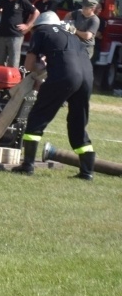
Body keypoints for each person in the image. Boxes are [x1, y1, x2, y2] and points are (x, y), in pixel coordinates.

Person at [12, 11, 96, 180]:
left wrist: (39, 67)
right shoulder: (71, 36)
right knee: (77, 122)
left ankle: (27, 165)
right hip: (87, 77)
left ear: (39, 26)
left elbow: (29, 66)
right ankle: (87, 172)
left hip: (66, 76)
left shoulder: (41, 32)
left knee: (37, 117)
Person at [0, 0, 39, 68]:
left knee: (13, 61)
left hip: (15, 35)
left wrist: (27, 25)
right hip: (2, 34)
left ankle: (13, 81)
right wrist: (3, 15)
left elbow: (36, 12)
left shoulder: (22, 0)